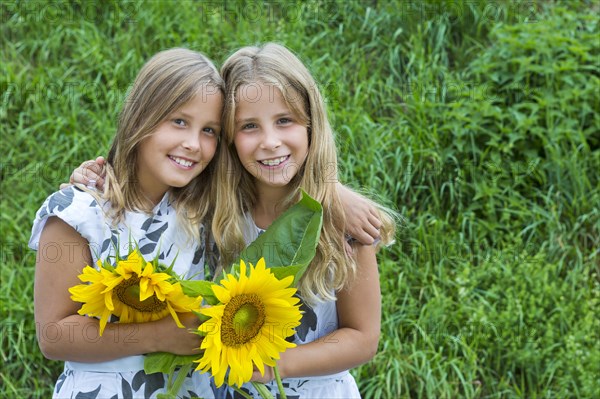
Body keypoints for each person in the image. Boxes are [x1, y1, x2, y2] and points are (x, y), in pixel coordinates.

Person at [29, 48, 224, 399]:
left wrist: (333, 197)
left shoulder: (208, 212)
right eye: (179, 121)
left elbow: (276, 186)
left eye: (209, 130)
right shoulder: (80, 210)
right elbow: (54, 336)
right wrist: (158, 336)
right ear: (141, 118)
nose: (193, 144)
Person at [209, 43, 397, 398]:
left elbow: (363, 338)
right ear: (228, 138)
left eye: (285, 120)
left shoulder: (341, 223)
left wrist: (272, 365)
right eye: (249, 126)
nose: (270, 142)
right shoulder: (215, 212)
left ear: (312, 124)